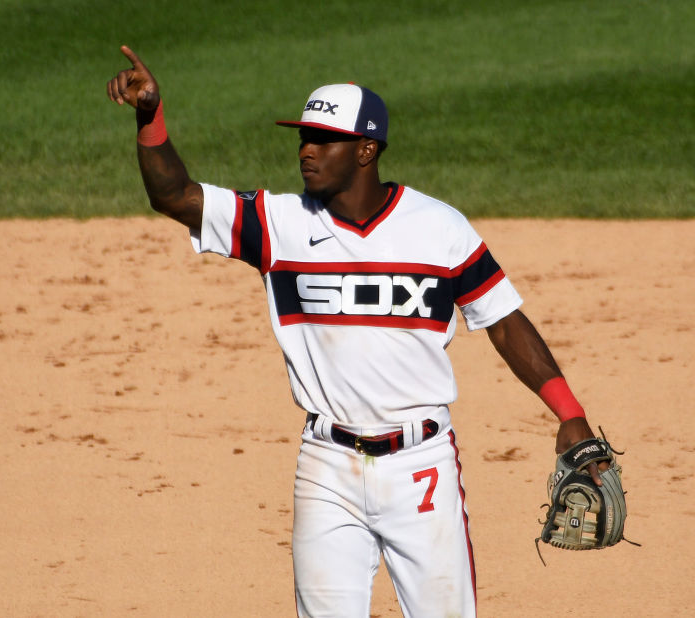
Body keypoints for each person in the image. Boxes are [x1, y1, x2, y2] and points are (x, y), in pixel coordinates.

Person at [106, 45, 608, 617]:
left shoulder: (438, 228)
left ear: (366, 149)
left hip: (421, 467)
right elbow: (174, 196)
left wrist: (569, 413)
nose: (306, 150)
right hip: (326, 467)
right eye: (303, 138)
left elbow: (502, 319)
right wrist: (151, 115)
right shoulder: (280, 224)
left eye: (324, 139)